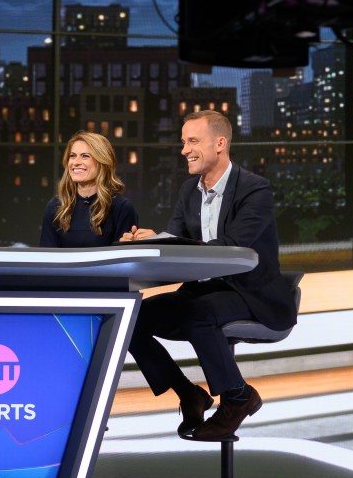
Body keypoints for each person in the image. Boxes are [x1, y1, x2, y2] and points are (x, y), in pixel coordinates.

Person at [119, 110, 296, 440]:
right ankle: (189, 393)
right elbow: (177, 241)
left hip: (249, 293)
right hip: (202, 291)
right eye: (183, 142)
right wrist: (152, 240)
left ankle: (238, 397)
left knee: (196, 313)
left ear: (220, 143)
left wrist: (173, 242)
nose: (184, 150)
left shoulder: (255, 189)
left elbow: (232, 249)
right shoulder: (189, 190)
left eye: (193, 141)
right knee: (131, 319)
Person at [40, 131, 138, 248]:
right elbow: (47, 258)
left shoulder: (121, 207)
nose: (75, 163)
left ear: (102, 162)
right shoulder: (55, 206)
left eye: (85, 156)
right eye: (72, 156)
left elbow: (123, 260)